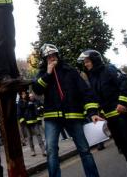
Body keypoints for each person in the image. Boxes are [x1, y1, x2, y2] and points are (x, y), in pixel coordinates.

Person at [33, 44, 101, 177]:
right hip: (52, 119)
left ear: (58, 55)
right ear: (45, 59)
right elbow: (37, 90)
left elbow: (86, 92)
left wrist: (92, 113)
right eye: (48, 56)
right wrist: (48, 73)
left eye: (53, 55)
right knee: (51, 151)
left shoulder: (70, 71)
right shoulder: (42, 73)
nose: (51, 58)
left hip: (73, 116)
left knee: (84, 149)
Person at [78, 49, 127, 177]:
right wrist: (93, 113)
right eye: (85, 62)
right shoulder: (92, 78)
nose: (86, 64)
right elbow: (92, 98)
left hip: (123, 115)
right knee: (122, 147)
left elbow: (125, 84)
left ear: (95, 60)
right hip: (111, 119)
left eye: (87, 61)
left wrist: (123, 103)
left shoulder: (109, 69)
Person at [18, 92, 46, 156]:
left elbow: (36, 110)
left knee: (38, 134)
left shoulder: (30, 101)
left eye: (25, 94)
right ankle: (32, 151)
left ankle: (43, 150)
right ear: (21, 96)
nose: (24, 95)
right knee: (29, 137)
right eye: (22, 94)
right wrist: (23, 121)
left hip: (34, 121)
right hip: (27, 123)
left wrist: (38, 118)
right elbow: (19, 113)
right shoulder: (20, 103)